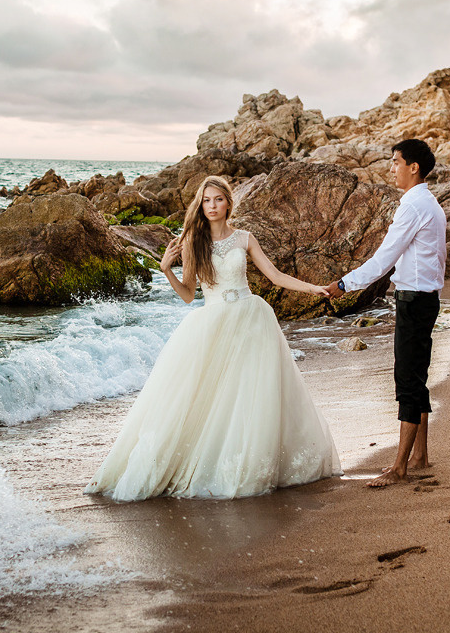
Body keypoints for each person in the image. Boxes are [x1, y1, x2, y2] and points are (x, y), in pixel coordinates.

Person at [85, 175, 341, 501]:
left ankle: (251, 465)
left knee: (248, 396)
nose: (212, 206)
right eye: (206, 200)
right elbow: (189, 294)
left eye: (218, 199)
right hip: (213, 322)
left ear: (228, 203)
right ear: (200, 205)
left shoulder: (245, 239)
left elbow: (274, 276)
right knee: (207, 398)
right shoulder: (193, 242)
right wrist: (166, 269)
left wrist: (313, 288)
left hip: (251, 320)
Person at [324, 139, 445, 488]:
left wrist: (344, 284)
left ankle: (399, 467)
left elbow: (383, 259)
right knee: (417, 375)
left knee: (408, 380)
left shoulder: (413, 207)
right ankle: (420, 455)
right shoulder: (429, 204)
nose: (391, 168)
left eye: (395, 162)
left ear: (413, 168)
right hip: (425, 298)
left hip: (415, 300)